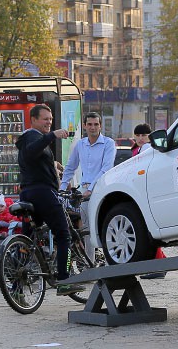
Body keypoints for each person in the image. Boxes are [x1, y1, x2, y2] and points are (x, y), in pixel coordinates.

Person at [16, 104, 84, 296]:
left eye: (51, 119)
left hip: (29, 193)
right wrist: (52, 135)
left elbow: (33, 159)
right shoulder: (32, 136)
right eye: (45, 119)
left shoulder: (31, 139)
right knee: (64, 235)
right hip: (42, 194)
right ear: (34, 120)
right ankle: (64, 280)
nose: (49, 122)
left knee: (27, 240)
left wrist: (56, 171)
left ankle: (17, 286)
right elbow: (32, 151)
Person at [59, 112, 115, 263]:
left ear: (100, 125)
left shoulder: (108, 143)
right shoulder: (80, 144)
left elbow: (106, 168)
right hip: (84, 190)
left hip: (102, 188)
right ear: (84, 126)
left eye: (96, 124)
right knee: (86, 228)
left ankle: (112, 261)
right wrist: (62, 188)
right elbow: (70, 167)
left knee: (104, 224)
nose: (93, 127)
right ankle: (90, 263)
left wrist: (91, 188)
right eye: (89, 124)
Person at [132, 123, 167, 280]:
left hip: (146, 191)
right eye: (138, 135)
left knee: (149, 231)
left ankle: (158, 264)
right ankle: (159, 262)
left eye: (144, 135)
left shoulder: (146, 149)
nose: (140, 138)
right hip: (143, 190)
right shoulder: (137, 149)